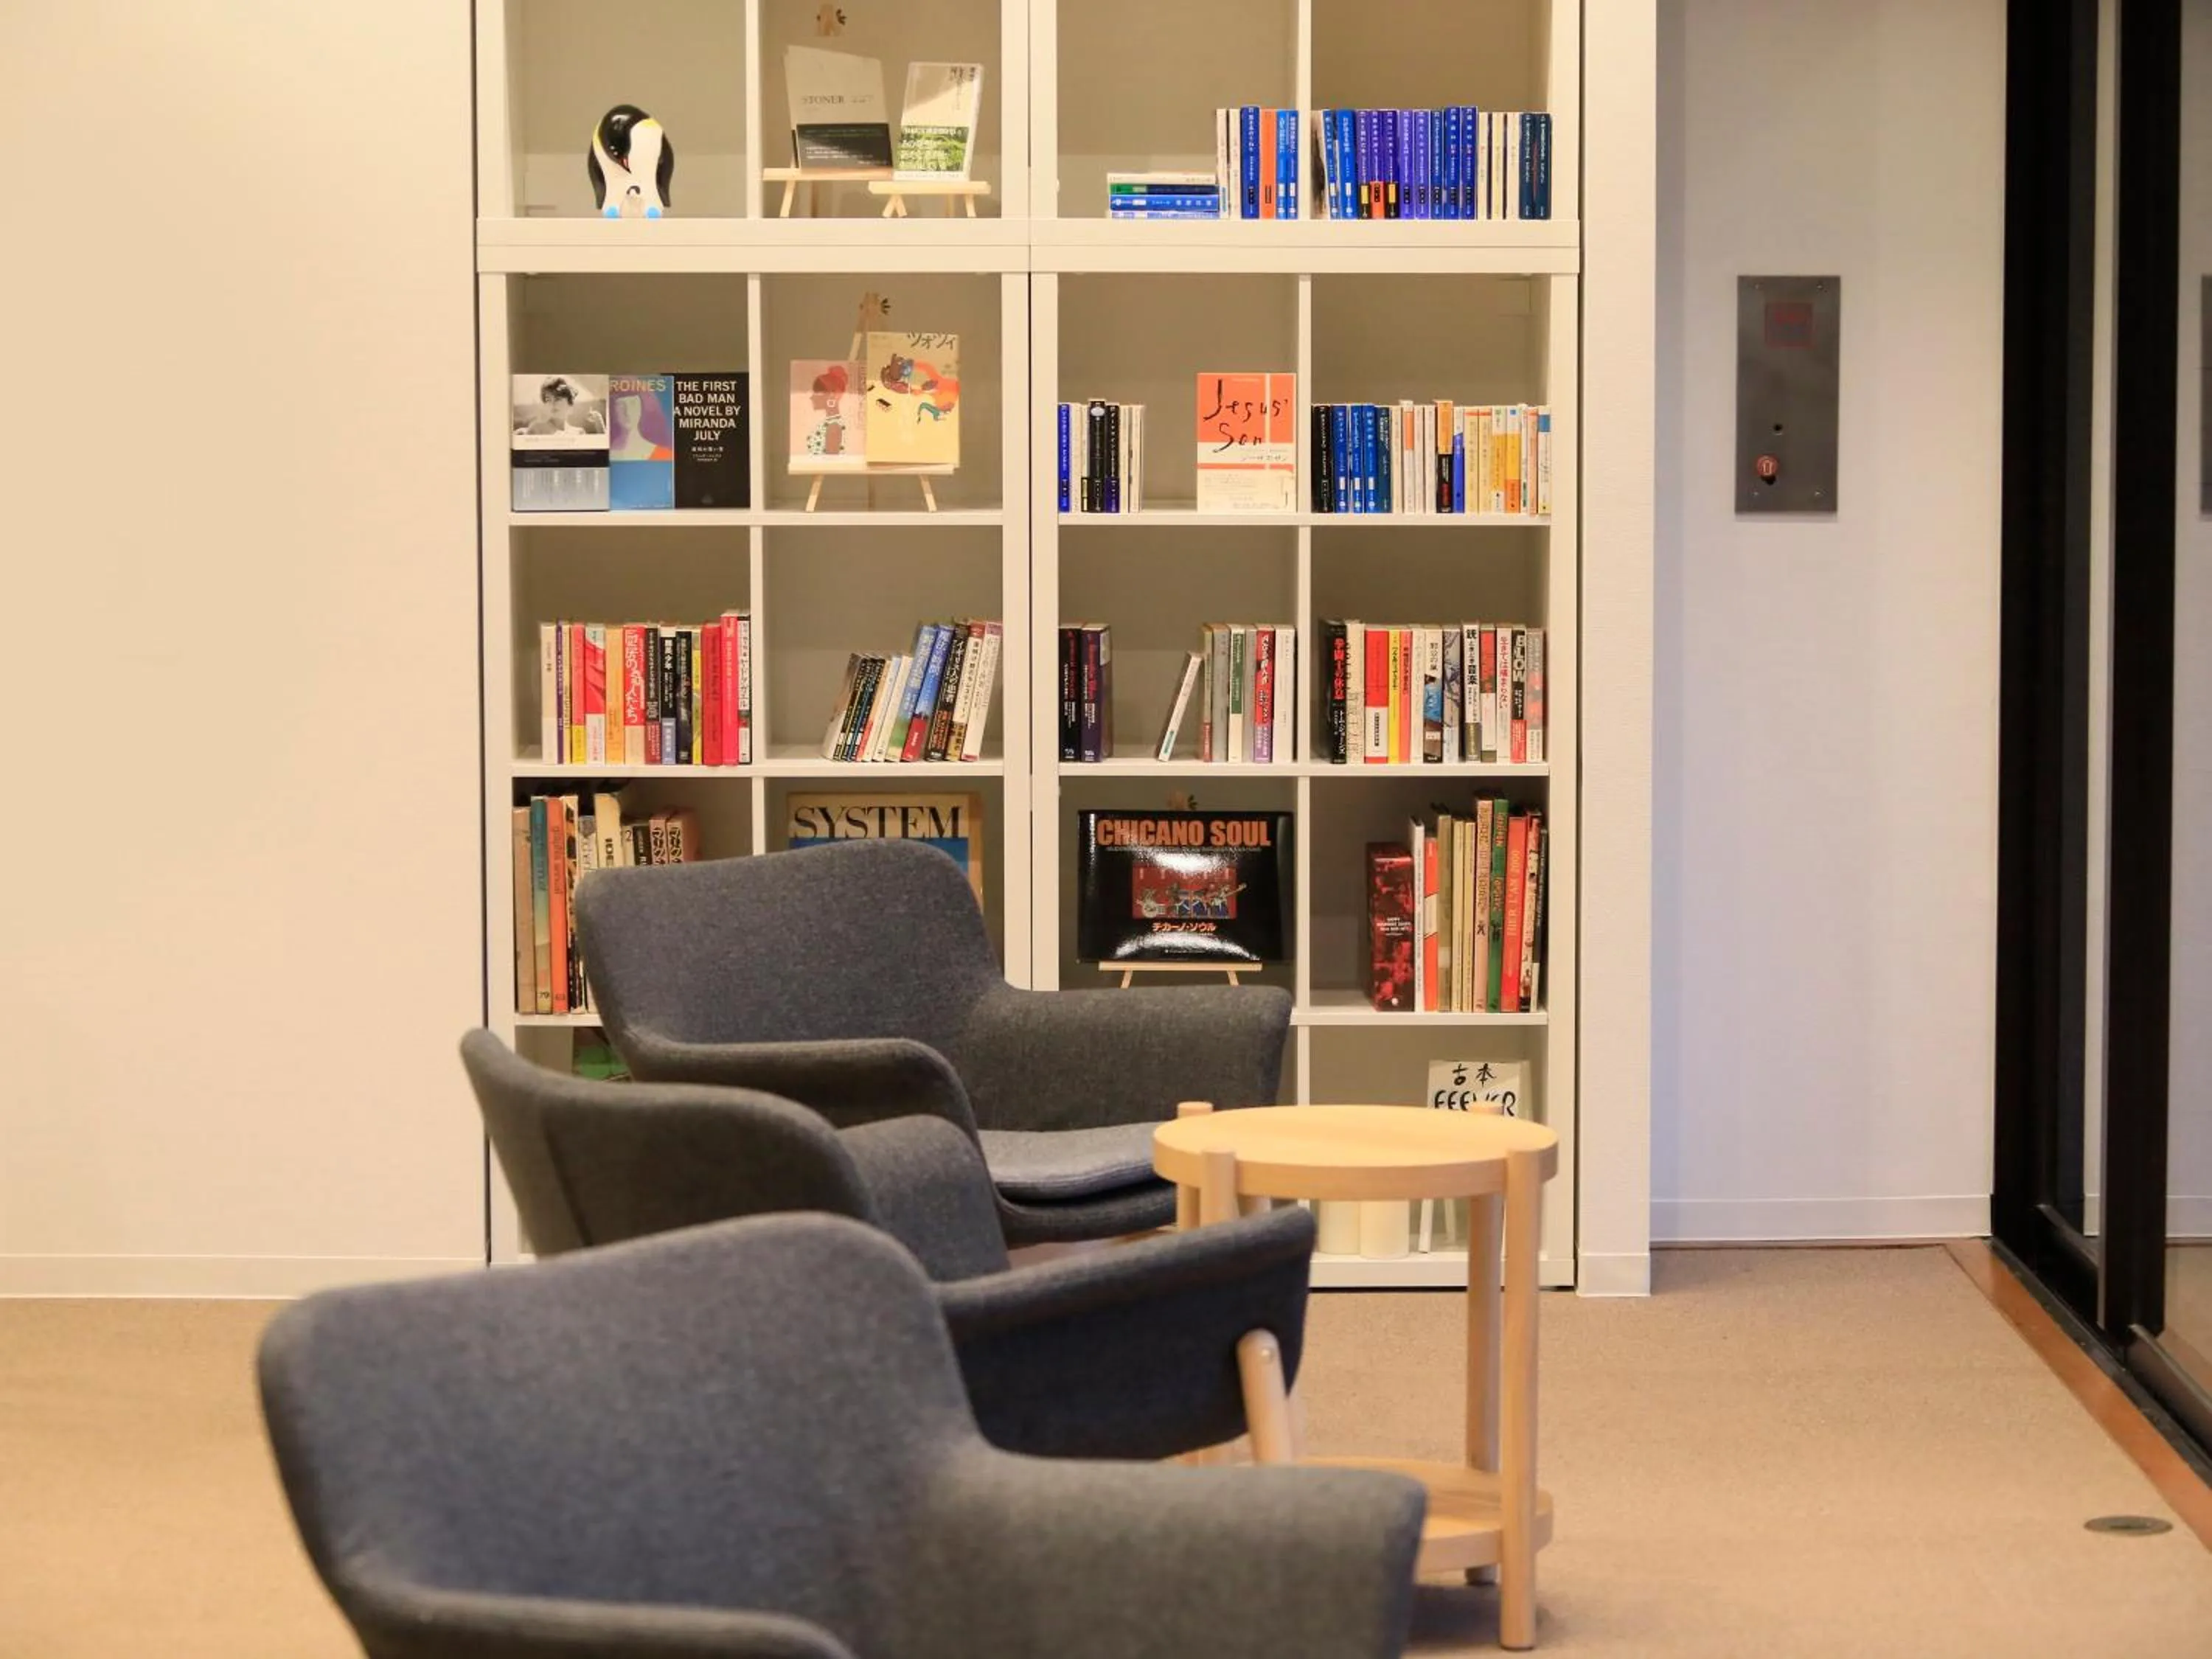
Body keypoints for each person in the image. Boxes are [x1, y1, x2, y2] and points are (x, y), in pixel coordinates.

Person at [518, 377, 605, 437]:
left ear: (570, 405)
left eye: (558, 399)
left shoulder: (579, 432)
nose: (552, 403)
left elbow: (601, 453)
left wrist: (598, 420)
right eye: (548, 399)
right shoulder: (537, 428)